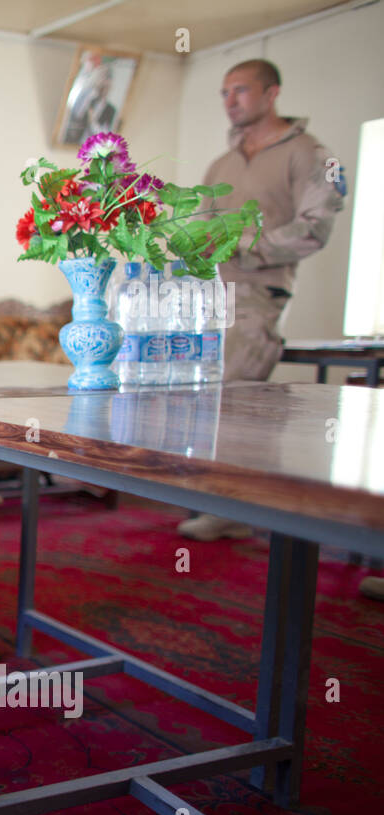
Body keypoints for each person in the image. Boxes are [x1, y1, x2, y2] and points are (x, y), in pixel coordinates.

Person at [178, 59, 345, 542]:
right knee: (199, 398)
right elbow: (202, 230)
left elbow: (315, 228)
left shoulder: (311, 154)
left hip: (257, 295)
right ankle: (215, 497)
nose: (230, 101)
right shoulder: (221, 164)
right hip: (207, 298)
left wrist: (245, 246)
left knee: (232, 396)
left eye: (241, 91)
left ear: (272, 94)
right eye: (225, 92)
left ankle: (237, 506)